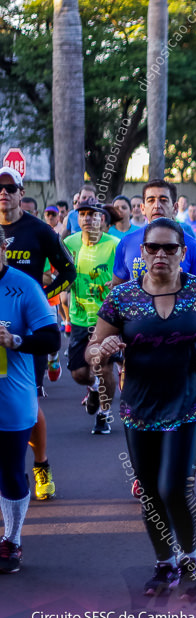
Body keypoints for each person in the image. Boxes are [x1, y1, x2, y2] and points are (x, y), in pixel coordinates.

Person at [90, 218, 196, 598]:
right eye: (154, 247)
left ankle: (191, 557)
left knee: (174, 488)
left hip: (187, 404)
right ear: (143, 252)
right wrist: (100, 351)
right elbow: (94, 346)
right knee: (150, 491)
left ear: (183, 254)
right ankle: (164, 563)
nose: (161, 255)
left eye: (170, 248)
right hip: (139, 407)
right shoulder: (122, 298)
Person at [0, 166, 75, 501]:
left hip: (29, 331)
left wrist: (43, 297)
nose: (3, 194)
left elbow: (68, 270)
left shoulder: (39, 230)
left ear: (20, 191)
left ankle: (40, 465)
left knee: (27, 403)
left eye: (9, 188)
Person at [0, 224, 61, 574]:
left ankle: (12, 540)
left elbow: (52, 339)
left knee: (9, 472)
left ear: (4, 249)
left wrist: (15, 341)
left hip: (11, 398)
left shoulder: (24, 287)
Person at [62, 199, 120, 434]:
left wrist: (115, 285)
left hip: (106, 319)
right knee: (79, 373)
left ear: (101, 219)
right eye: (82, 214)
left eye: (92, 214)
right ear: (78, 219)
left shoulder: (115, 244)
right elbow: (58, 273)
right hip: (78, 317)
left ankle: (105, 414)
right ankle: (94, 388)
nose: (87, 218)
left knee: (103, 364)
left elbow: (124, 277)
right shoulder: (69, 243)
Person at [111, 180, 196, 287]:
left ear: (175, 208)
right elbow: (117, 288)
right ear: (143, 208)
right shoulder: (127, 243)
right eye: (151, 200)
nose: (157, 206)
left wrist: (182, 282)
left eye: (163, 200)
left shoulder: (192, 245)